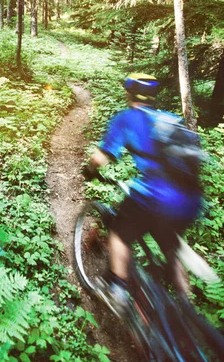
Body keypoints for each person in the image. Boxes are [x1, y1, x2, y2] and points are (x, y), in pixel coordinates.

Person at [83, 73, 202, 316]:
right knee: (171, 248)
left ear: (129, 93)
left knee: (118, 233)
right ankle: (188, 312)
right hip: (190, 202)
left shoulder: (127, 119)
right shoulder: (169, 118)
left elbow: (101, 156)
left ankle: (117, 288)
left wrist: (90, 170)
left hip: (155, 198)